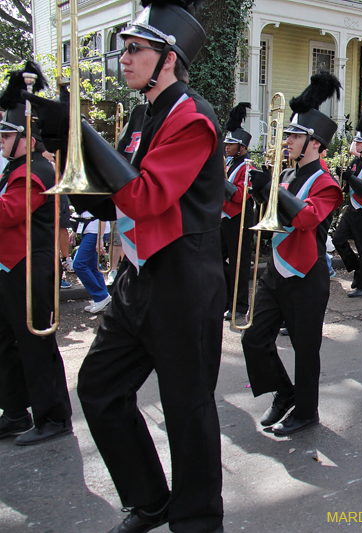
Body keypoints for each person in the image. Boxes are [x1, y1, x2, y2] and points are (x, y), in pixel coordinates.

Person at [27, 2, 227, 530]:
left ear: (169, 57)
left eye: (135, 48)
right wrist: (64, 139)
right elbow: (105, 198)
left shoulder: (195, 117)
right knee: (98, 387)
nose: (124, 57)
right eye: (124, 47)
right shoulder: (142, 114)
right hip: (140, 277)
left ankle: (198, 521)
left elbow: (142, 198)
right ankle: (151, 498)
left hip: (185, 284)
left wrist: (83, 130)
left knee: (189, 411)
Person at [242, 73, 343, 435]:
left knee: (305, 348)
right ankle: (285, 394)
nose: (288, 141)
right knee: (253, 339)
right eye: (288, 135)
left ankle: (306, 412)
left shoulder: (327, 184)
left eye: (295, 136)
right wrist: (257, 191)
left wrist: (272, 190)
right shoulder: (284, 175)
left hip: (306, 273)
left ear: (315, 144)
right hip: (276, 271)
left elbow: (305, 218)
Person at [0, 62, 72, 447]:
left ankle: (54, 417)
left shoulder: (36, 171)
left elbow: (10, 213)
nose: (0, 139)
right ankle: (14, 412)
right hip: (9, 269)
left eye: (6, 134)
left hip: (29, 268)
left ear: (25, 136)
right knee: (6, 345)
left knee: (35, 345)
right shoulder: (15, 166)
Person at [332, 108, 362, 297]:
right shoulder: (355, 161)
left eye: (360, 142)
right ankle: (357, 268)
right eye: (356, 141)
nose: (356, 144)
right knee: (338, 239)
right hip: (352, 208)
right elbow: (349, 186)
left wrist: (350, 177)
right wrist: (342, 176)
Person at [221, 102, 255, 322]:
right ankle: (226, 299)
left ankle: (240, 305)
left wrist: (220, 180)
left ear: (241, 147)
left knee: (239, 265)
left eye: (231, 144)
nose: (226, 146)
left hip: (239, 219)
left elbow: (240, 196)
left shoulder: (248, 166)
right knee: (214, 259)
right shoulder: (227, 163)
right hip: (222, 219)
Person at [72, 211, 112, 313]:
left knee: (79, 264)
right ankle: (104, 300)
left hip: (95, 231)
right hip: (89, 229)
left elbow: (103, 211)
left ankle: (101, 297)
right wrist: (74, 231)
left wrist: (100, 238)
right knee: (92, 266)